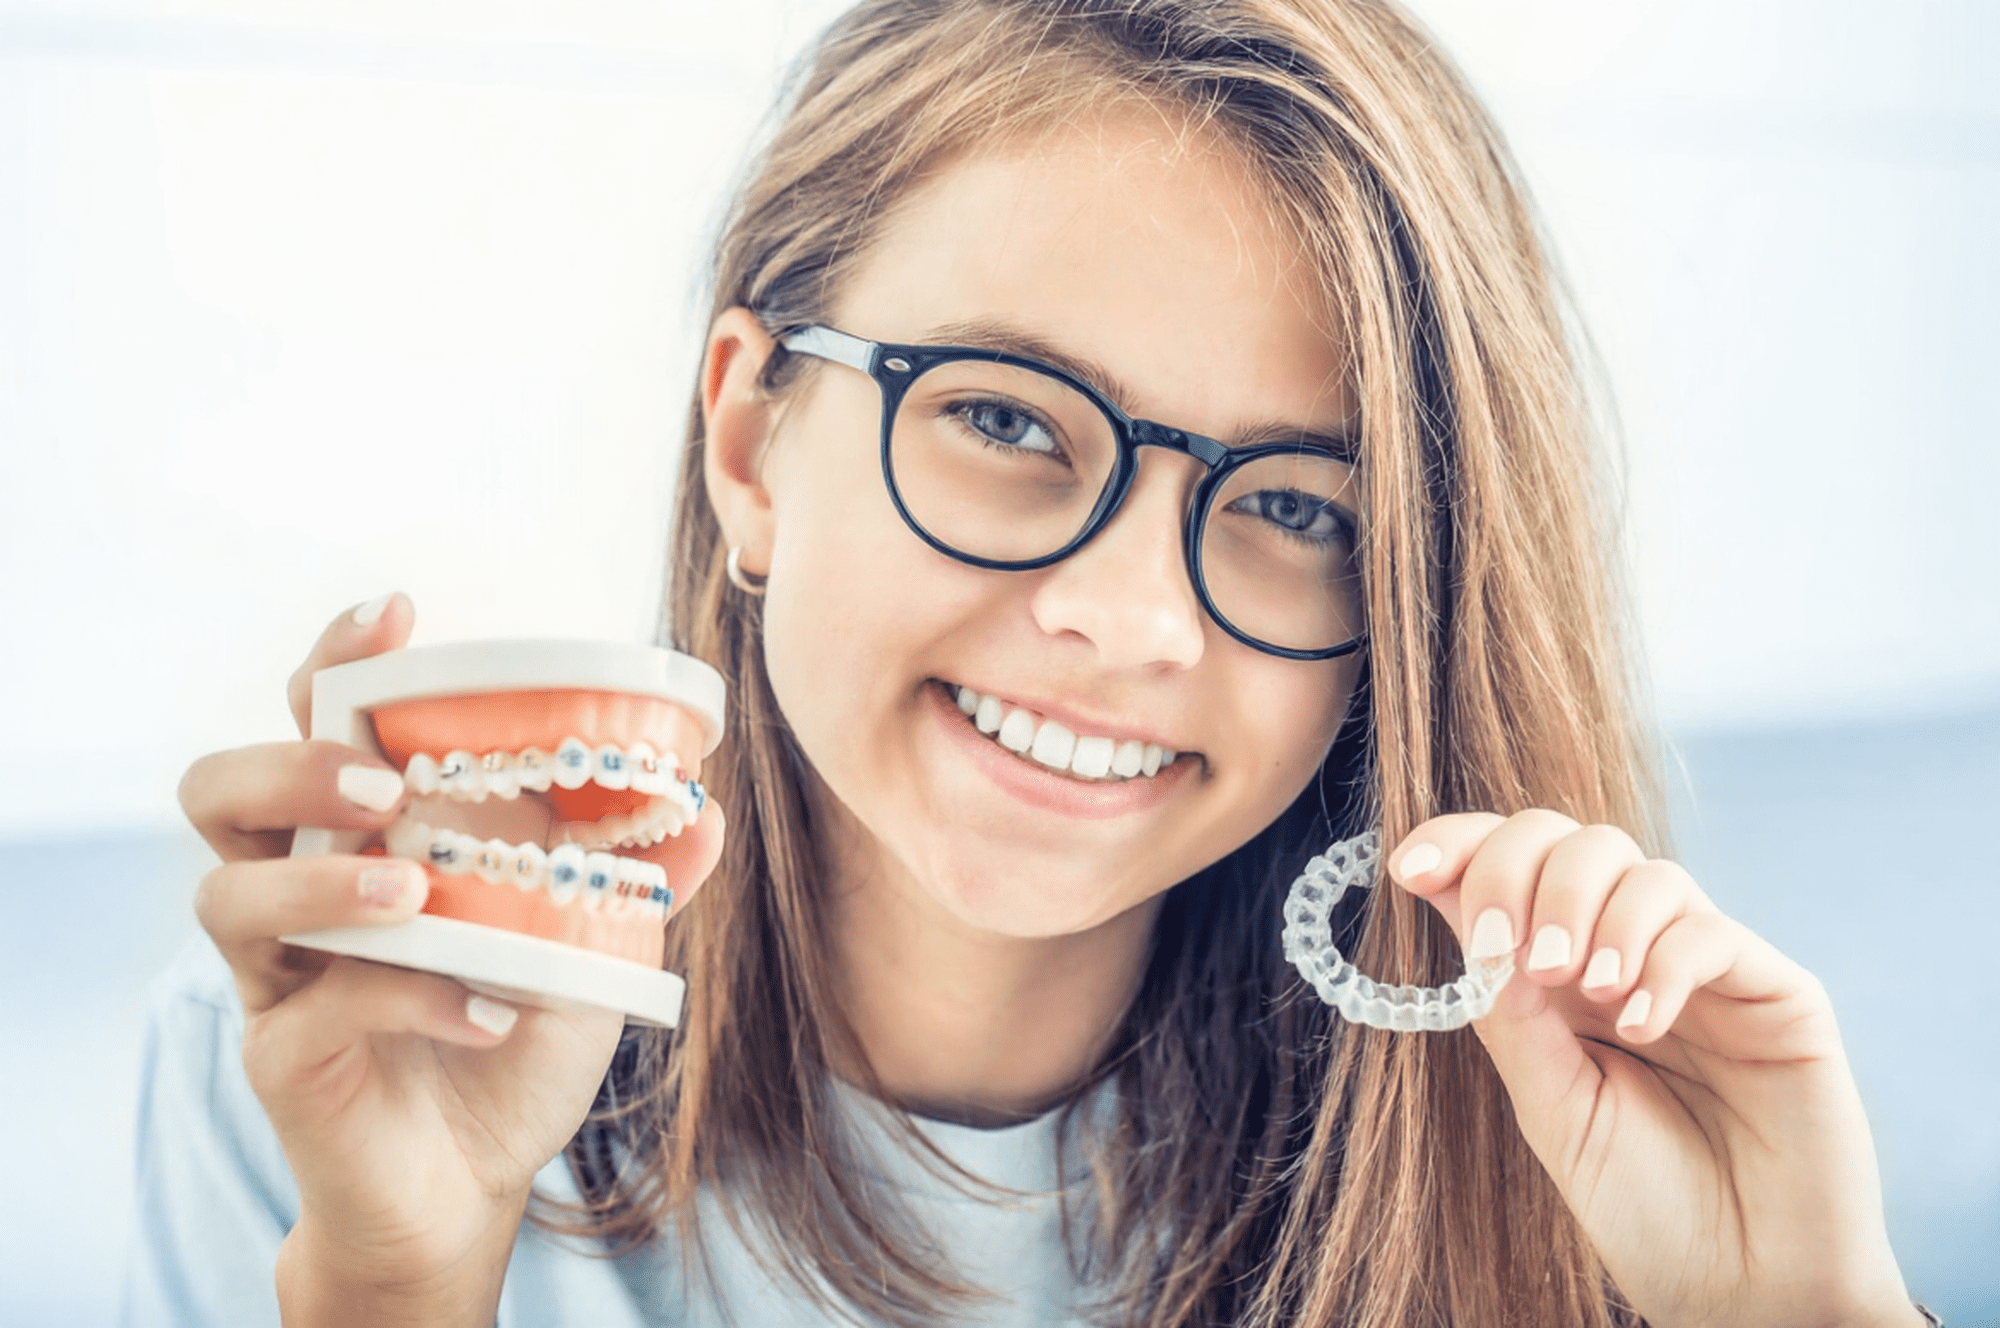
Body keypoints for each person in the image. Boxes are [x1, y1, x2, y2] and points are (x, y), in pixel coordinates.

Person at [129, 1, 1930, 1325]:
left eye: (1294, 508)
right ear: (751, 446)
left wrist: (1810, 1319)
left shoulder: (1556, 1140)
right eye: (1004, 417)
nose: (1131, 618)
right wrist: (399, 1281)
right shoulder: (325, 1068)